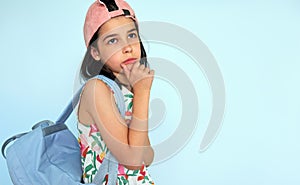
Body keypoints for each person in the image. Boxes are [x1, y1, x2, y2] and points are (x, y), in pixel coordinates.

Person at [76, 0, 155, 184]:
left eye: (132, 35)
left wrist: (137, 94)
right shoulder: (96, 89)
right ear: (95, 53)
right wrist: (143, 93)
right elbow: (133, 162)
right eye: (113, 40)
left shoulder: (127, 91)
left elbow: (148, 158)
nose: (127, 47)